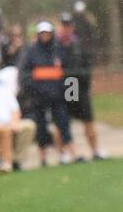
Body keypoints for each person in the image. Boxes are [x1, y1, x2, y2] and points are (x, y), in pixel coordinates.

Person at [21, 21, 77, 167]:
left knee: (63, 124)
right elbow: (25, 75)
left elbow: (70, 73)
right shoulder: (31, 52)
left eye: (47, 33)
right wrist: (34, 91)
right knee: (41, 128)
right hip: (39, 98)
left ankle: (70, 154)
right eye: (42, 34)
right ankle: (43, 158)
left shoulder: (59, 50)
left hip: (58, 97)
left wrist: (71, 95)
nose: (45, 36)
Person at [58, 14, 106, 161]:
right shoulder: (56, 46)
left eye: (69, 25)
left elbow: (86, 67)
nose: (66, 28)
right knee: (64, 122)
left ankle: (95, 150)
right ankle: (68, 153)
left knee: (88, 120)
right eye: (64, 25)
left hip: (79, 87)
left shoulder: (79, 45)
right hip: (64, 88)